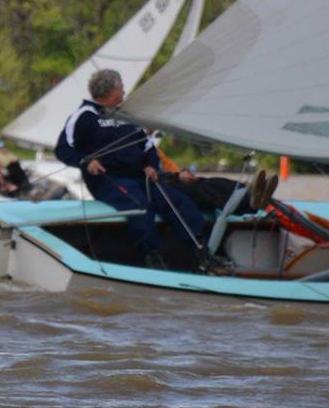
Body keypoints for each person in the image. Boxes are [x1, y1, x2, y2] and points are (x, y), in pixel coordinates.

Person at [54, 68, 232, 273]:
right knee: (140, 205)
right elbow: (62, 149)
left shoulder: (127, 116)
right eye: (121, 88)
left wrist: (150, 164)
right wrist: (86, 162)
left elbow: (147, 146)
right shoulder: (84, 116)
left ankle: (201, 252)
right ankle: (151, 257)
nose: (124, 92)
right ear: (108, 91)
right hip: (108, 180)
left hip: (141, 178)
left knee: (177, 200)